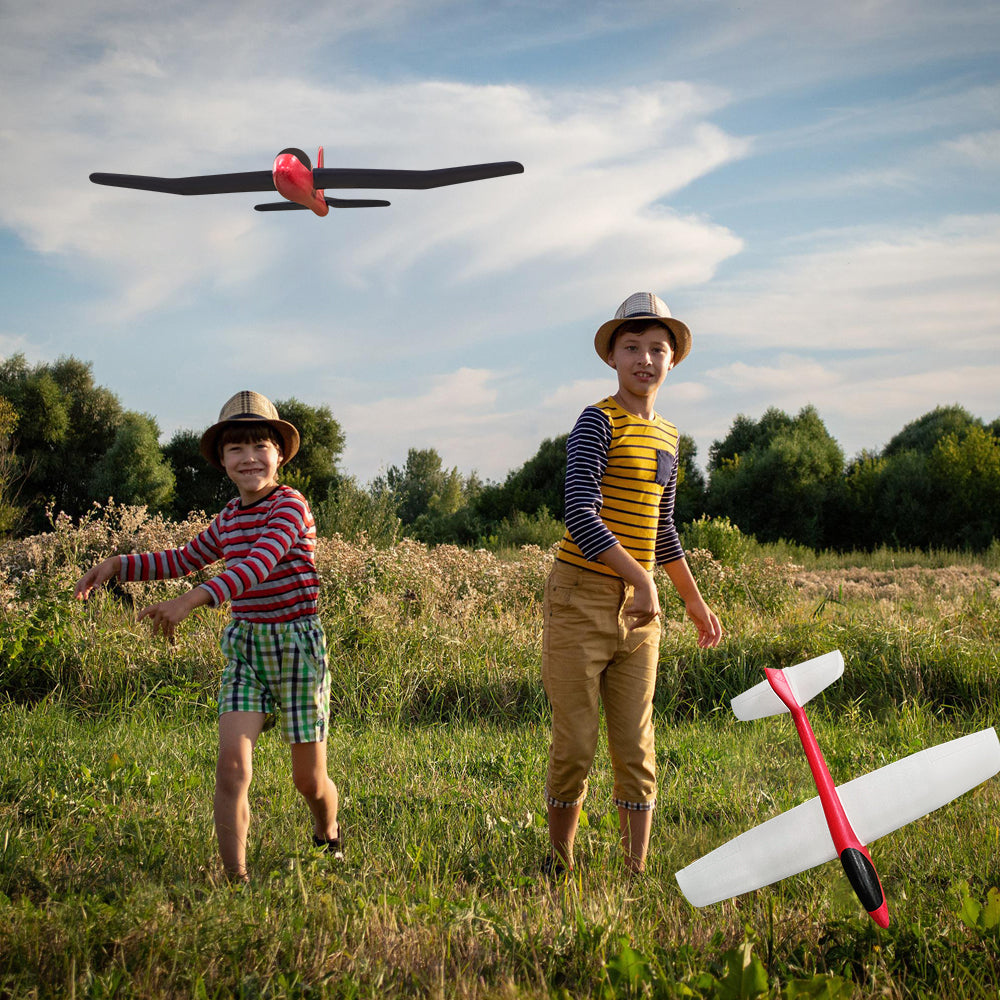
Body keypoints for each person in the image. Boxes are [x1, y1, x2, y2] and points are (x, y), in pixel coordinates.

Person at [74, 390, 341, 883]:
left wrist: (190, 601)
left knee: (308, 780)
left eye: (260, 446)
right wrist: (117, 565)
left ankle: (328, 835)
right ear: (222, 460)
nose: (249, 458)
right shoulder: (227, 519)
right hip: (247, 651)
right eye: (235, 449)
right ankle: (235, 879)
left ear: (279, 454)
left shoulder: (290, 507)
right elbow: (180, 558)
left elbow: (258, 566)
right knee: (232, 768)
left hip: (299, 650)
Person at [542, 292, 723, 877]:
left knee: (636, 746)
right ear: (612, 358)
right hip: (579, 599)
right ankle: (560, 862)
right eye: (632, 348)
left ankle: (633, 873)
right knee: (575, 744)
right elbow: (578, 510)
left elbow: (662, 526)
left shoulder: (670, 436)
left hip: (641, 613)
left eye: (657, 349)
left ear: (672, 361)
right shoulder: (598, 420)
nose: (645, 359)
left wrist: (692, 600)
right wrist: (639, 577)